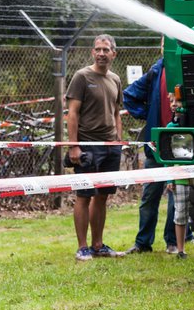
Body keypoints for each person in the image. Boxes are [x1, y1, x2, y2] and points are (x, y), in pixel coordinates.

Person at [66, 34, 127, 261]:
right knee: (84, 196)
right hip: (87, 146)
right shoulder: (82, 76)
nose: (101, 53)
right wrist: (74, 147)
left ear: (113, 54)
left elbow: (116, 113)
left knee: (102, 197)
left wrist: (118, 141)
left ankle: (98, 245)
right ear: (93, 52)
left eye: (106, 50)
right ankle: (82, 248)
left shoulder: (115, 79)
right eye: (98, 49)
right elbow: (72, 114)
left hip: (111, 147)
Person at [123, 54, 184, 254]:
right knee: (149, 196)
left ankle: (173, 242)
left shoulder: (187, 67)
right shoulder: (156, 71)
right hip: (156, 147)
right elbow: (129, 96)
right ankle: (142, 243)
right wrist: (147, 114)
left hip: (183, 147)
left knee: (177, 197)